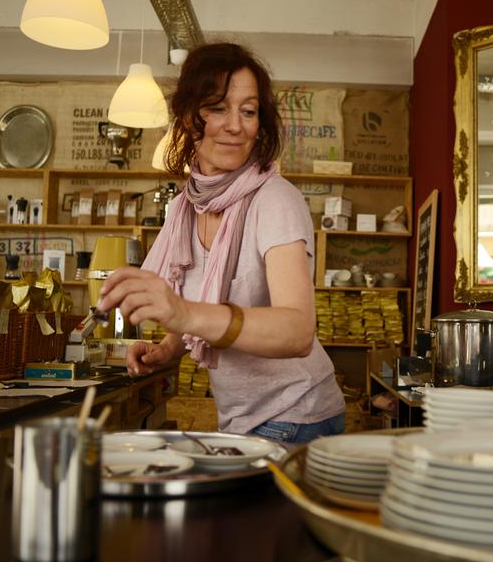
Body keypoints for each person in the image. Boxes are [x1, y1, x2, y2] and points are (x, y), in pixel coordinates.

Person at [97, 43, 345, 444]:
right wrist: (169, 348)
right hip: (239, 417)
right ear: (187, 115)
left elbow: (298, 331)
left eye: (248, 111)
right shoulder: (183, 208)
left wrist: (182, 313)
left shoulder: (274, 199)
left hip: (297, 414)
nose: (236, 125)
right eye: (217, 107)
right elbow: (198, 311)